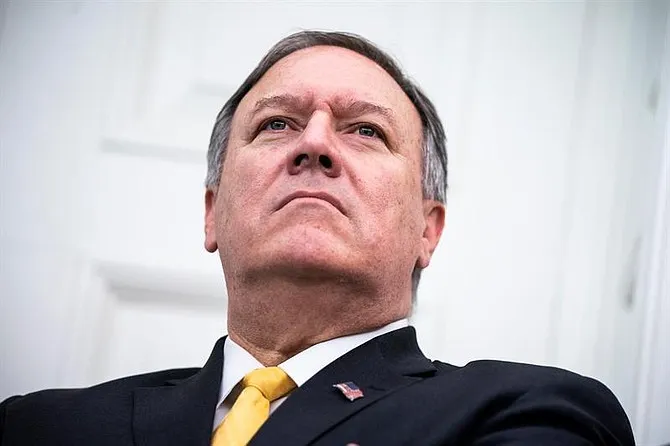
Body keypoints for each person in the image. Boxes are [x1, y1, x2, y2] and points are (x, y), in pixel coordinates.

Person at [0, 30, 634, 446]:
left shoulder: (532, 413)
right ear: (212, 213)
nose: (314, 143)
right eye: (278, 123)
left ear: (427, 229)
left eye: (366, 131)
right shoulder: (37, 426)